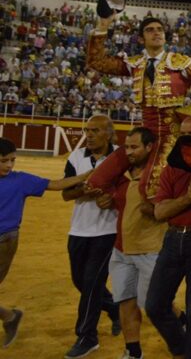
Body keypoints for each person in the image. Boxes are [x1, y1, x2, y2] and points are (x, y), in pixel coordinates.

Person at [86, 12, 191, 199]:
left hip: (172, 134)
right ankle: (122, 201)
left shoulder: (181, 63)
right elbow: (97, 62)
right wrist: (102, 26)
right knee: (96, 182)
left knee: (151, 189)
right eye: (150, 30)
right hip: (144, 135)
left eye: (160, 30)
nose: (156, 33)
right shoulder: (135, 64)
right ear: (141, 39)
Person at [85, 127, 168, 359]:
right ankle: (133, 351)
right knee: (125, 301)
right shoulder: (123, 175)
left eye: (135, 147)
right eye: (127, 147)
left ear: (149, 147)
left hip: (150, 250)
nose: (129, 152)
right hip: (121, 249)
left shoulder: (160, 175)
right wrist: (108, 199)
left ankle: (183, 324)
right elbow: (115, 197)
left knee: (156, 305)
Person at [0, 138, 91, 348]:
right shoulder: (18, 181)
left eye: (12, 160)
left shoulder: (20, 180)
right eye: (4, 161)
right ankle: (10, 316)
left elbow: (56, 184)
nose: (9, 166)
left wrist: (86, 176)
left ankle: (10, 317)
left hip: (5, 241)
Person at [145, 117, 191, 359]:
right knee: (155, 305)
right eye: (184, 134)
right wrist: (189, 198)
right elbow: (159, 212)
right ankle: (181, 349)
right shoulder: (172, 168)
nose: (187, 140)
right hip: (174, 237)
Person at [61, 115, 121, 358]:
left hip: (107, 231)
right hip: (78, 229)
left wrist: (113, 197)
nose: (90, 134)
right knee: (81, 282)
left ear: (108, 133)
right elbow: (66, 194)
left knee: (92, 284)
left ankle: (87, 336)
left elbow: (132, 187)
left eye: (95, 130)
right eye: (88, 130)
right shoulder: (76, 157)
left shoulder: (121, 156)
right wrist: (82, 190)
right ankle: (115, 308)